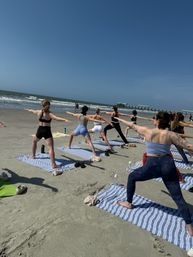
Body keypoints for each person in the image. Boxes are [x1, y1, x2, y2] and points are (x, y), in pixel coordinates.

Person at [116, 111, 193, 236]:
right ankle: (189, 226)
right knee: (178, 197)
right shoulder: (171, 135)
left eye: (154, 118)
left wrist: (118, 119)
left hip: (151, 166)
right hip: (167, 165)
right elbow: (188, 146)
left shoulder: (147, 131)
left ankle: (128, 203)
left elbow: (131, 125)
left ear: (157, 120)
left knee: (132, 177)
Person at [25, 99, 69, 174]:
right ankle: (53, 164)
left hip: (40, 130)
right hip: (47, 131)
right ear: (49, 106)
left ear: (42, 105)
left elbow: (33, 111)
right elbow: (56, 118)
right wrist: (64, 120)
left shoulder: (39, 112)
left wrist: (28, 110)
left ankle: (33, 156)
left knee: (34, 141)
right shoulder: (49, 114)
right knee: (50, 148)